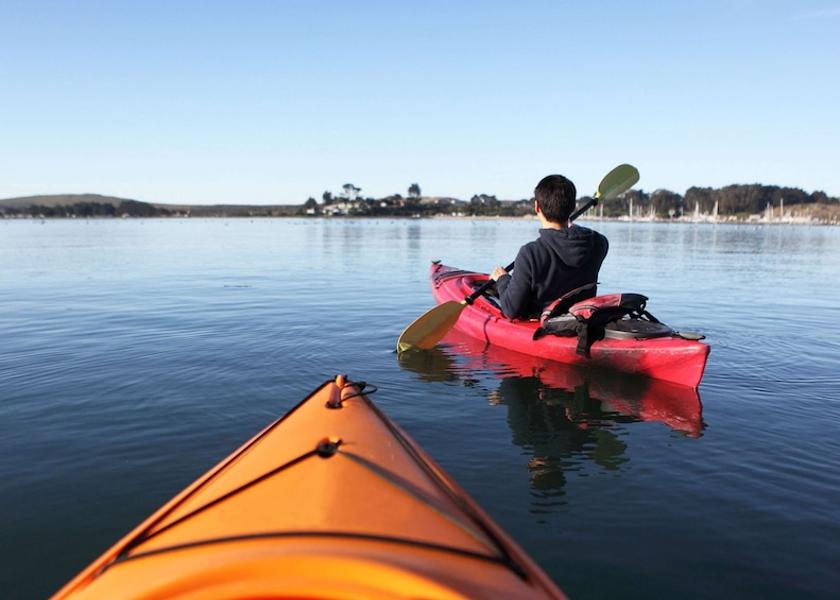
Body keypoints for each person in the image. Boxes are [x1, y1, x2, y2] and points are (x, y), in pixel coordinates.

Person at [489, 174, 609, 319]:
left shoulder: (530, 253)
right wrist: (570, 229)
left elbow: (511, 310)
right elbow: (589, 236)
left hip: (545, 324)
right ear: (572, 207)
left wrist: (502, 279)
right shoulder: (599, 244)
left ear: (536, 207)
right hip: (582, 318)